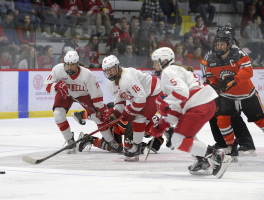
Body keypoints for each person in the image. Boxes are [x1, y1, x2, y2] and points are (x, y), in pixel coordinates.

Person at [149, 47, 232, 178]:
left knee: (177, 139)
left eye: (155, 61)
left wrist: (164, 101)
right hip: (202, 103)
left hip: (198, 104)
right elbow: (178, 106)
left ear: (164, 60)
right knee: (185, 135)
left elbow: (182, 93)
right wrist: (164, 123)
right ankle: (202, 160)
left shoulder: (167, 71)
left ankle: (215, 154)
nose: (153, 65)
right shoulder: (174, 70)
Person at [43, 50, 123, 153]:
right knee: (58, 114)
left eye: (72, 65)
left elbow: (96, 95)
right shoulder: (58, 69)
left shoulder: (87, 75)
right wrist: (56, 86)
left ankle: (110, 141)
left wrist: (101, 109)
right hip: (65, 93)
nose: (69, 67)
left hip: (83, 94)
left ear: (77, 64)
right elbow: (47, 85)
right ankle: (70, 140)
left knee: (98, 117)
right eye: (67, 65)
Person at [200, 23, 256, 157]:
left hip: (233, 89)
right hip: (219, 88)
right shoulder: (216, 50)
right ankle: (223, 142)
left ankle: (245, 143)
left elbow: (244, 71)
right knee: (215, 115)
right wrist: (209, 82)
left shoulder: (235, 50)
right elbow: (206, 67)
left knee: (232, 116)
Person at [102, 55, 162, 161]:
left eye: (111, 69)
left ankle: (136, 147)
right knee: (143, 126)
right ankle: (160, 126)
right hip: (144, 96)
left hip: (155, 92)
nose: (109, 72)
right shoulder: (110, 84)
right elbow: (120, 102)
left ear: (117, 67)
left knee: (138, 118)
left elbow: (141, 99)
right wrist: (115, 113)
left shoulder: (127, 78)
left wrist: (130, 110)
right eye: (107, 70)